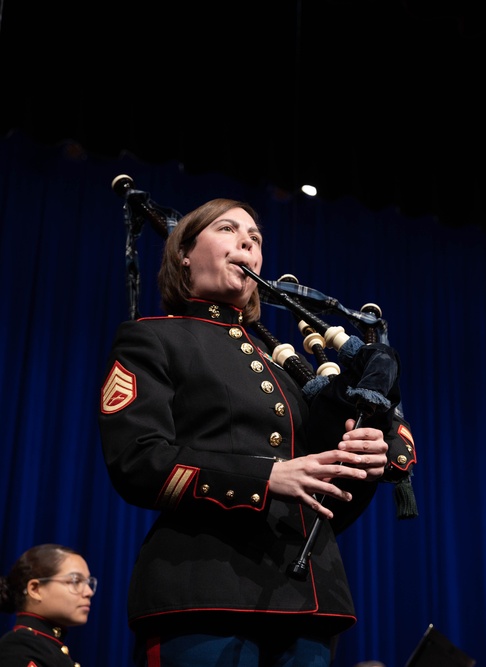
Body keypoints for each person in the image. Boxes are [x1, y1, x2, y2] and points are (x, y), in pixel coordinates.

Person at [98, 198, 415, 666]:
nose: (247, 240)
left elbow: (327, 494)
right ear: (183, 252)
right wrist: (265, 477)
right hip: (204, 590)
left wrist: (366, 457)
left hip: (309, 599)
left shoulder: (287, 373)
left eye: (256, 238)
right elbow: (137, 459)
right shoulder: (153, 338)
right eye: (228, 229)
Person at [0, 543, 95, 667]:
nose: (89, 592)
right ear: (35, 589)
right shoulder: (19, 648)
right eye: (75, 581)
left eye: (88, 583)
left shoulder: (47, 647)